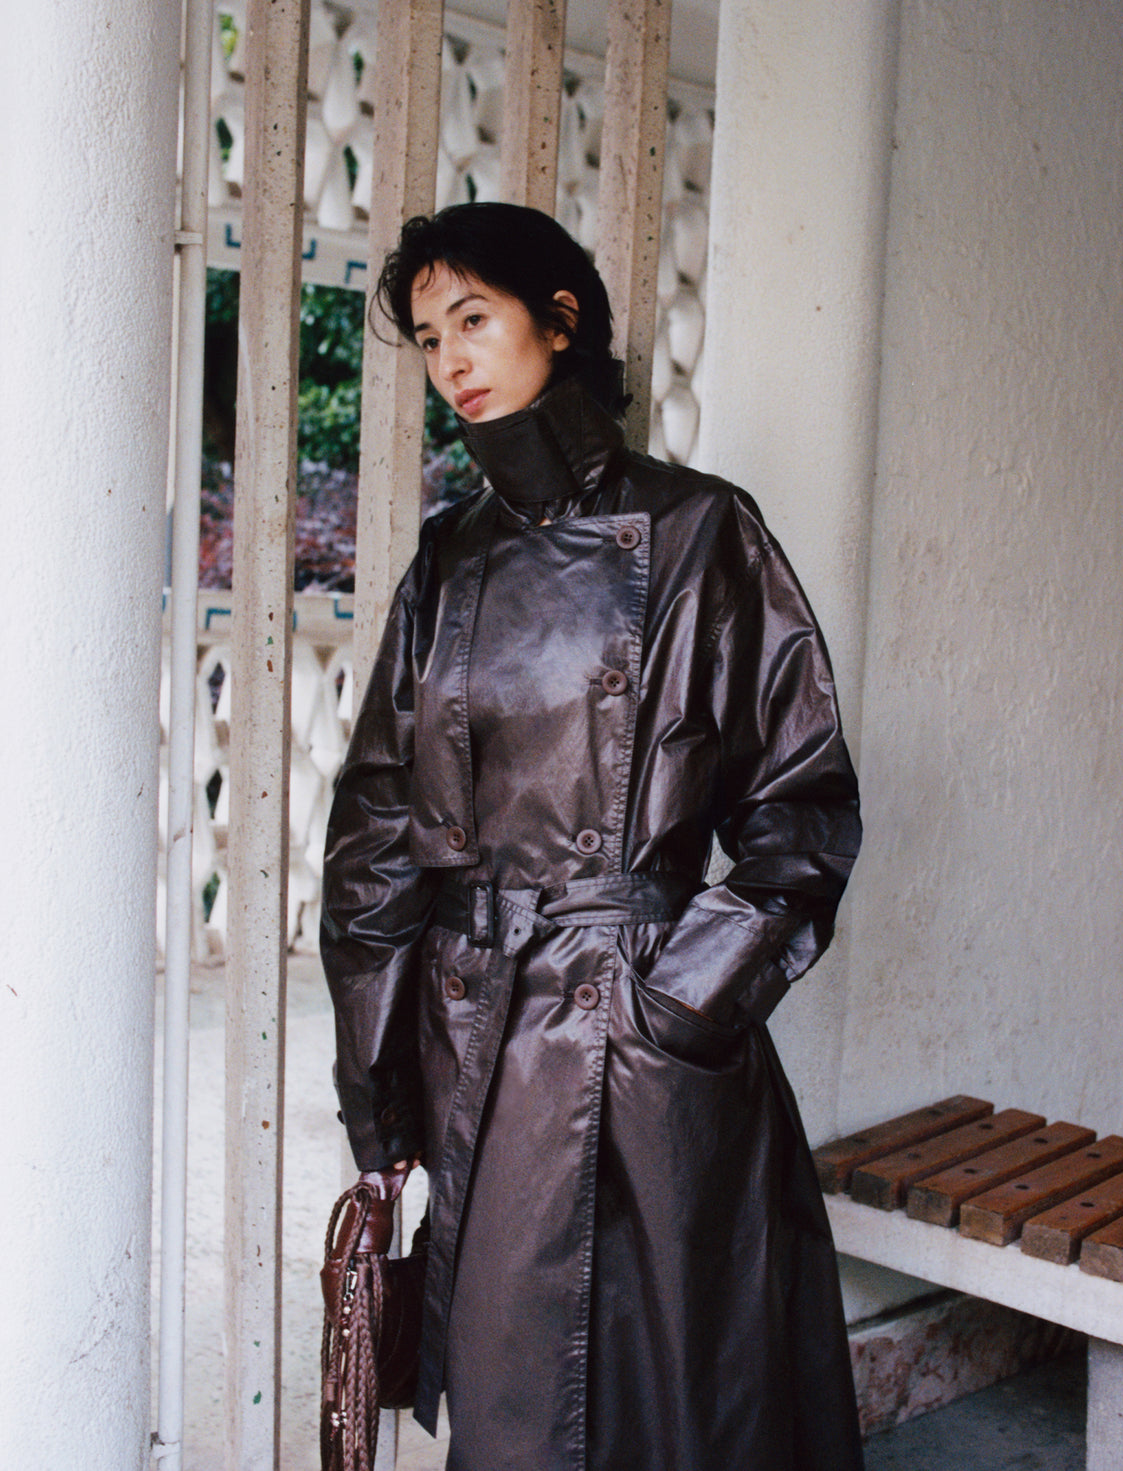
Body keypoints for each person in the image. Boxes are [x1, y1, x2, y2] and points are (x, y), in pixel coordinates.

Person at [321, 201, 864, 1471]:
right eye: (429, 337)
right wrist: (379, 1093)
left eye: (474, 319)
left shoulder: (700, 531)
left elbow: (800, 811)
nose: (450, 359)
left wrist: (679, 1002)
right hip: (487, 1048)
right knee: (518, 1409)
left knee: (680, 1409)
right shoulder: (447, 561)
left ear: (560, 321)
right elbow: (378, 838)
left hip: (657, 1054)